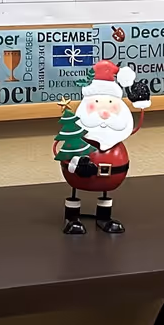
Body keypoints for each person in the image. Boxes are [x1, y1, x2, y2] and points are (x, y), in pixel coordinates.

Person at [55, 60, 152, 234]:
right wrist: (76, 166)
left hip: (110, 175)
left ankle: (104, 218)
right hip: (80, 177)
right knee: (74, 193)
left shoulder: (117, 136)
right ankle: (71, 218)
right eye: (97, 103)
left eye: (110, 105)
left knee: (106, 193)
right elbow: (61, 154)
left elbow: (136, 125)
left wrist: (141, 103)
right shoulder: (77, 139)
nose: (104, 112)